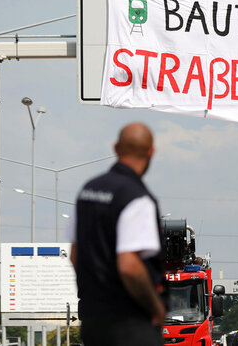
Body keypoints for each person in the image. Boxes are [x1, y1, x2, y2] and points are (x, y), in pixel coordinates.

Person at [69, 122, 166, 346]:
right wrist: (155, 306)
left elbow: (75, 255)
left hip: (94, 322)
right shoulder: (137, 198)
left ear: (115, 148)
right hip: (129, 324)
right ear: (151, 152)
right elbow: (129, 266)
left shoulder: (87, 191)